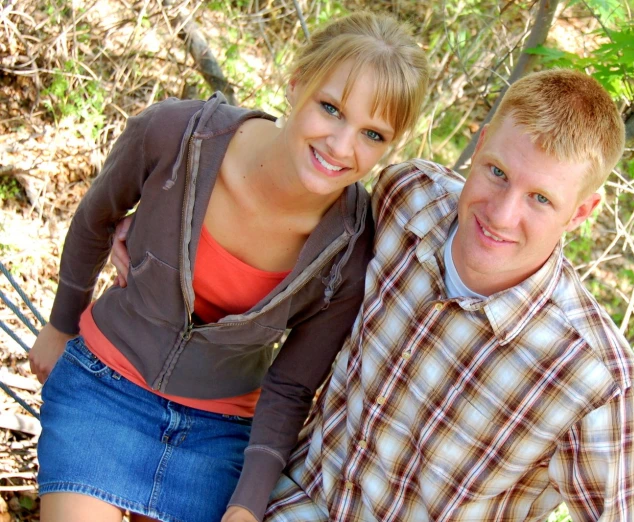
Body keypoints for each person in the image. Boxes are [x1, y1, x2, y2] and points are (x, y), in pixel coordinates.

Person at [29, 12, 428, 522]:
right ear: (297, 83)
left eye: (373, 135)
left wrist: (247, 503)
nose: (341, 146)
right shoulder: (175, 136)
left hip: (219, 436)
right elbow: (96, 219)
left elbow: (290, 386)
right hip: (105, 389)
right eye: (331, 108)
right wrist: (60, 324)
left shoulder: (350, 249)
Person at [260, 69, 634, 520]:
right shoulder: (406, 199)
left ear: (581, 212)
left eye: (541, 199)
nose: (502, 214)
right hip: (287, 500)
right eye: (497, 172)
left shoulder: (598, 381)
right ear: (483, 141)